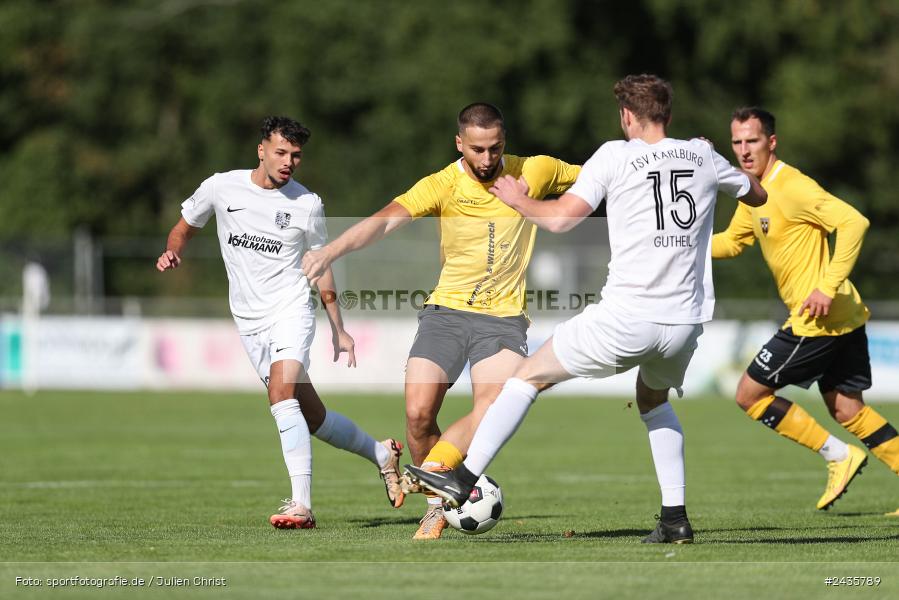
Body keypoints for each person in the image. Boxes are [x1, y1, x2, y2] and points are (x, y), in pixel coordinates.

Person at [405, 74, 767, 544]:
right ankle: (675, 519)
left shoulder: (614, 155)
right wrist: (711, 159)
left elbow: (559, 220)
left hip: (628, 317)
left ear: (627, 117)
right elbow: (756, 194)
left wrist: (520, 199)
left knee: (525, 378)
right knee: (653, 401)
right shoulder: (701, 154)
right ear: (669, 115)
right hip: (685, 322)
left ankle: (464, 476)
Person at [301, 103, 581, 539]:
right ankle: (438, 497)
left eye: (495, 148)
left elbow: (605, 173)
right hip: (445, 314)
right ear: (459, 144)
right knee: (416, 415)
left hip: (503, 319)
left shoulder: (536, 170)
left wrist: (664, 151)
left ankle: (435, 480)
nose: (487, 160)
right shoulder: (442, 184)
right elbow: (381, 223)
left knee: (491, 407)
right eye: (477, 150)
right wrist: (329, 252)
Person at [156, 116, 404, 529]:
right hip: (249, 321)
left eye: (296, 155)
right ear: (261, 150)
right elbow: (183, 228)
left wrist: (338, 326)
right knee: (314, 418)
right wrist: (172, 251)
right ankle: (382, 455)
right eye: (281, 152)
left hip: (291, 309)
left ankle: (301, 506)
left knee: (281, 394)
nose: (289, 161)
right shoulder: (221, 187)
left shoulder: (307, 203)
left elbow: (321, 265)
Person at [711, 107, 899, 513]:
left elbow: (854, 222)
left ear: (771, 142)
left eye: (753, 141)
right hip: (845, 314)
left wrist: (825, 287)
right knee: (847, 408)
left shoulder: (791, 186)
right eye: (737, 143)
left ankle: (838, 455)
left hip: (818, 319)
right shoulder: (753, 191)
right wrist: (676, 247)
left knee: (749, 394)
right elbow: (732, 242)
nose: (744, 151)